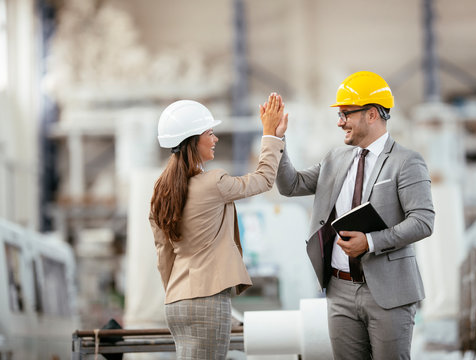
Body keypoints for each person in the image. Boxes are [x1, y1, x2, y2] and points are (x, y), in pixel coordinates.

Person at [275, 71, 435, 359]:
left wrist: (370, 242)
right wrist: (276, 140)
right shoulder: (335, 159)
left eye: (346, 113)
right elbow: (291, 185)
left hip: (388, 294)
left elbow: (422, 221)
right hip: (340, 291)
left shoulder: (406, 162)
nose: (340, 122)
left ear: (372, 114)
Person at [150, 94, 288, 359]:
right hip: (208, 300)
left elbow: (163, 256)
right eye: (210, 133)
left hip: (176, 303)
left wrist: (178, 293)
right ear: (192, 141)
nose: (215, 139)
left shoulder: (162, 193)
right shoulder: (214, 183)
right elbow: (264, 180)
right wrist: (271, 135)